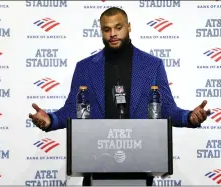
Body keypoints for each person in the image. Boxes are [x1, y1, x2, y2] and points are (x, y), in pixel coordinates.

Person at [29, 7, 210, 186]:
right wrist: (51, 120)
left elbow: (166, 109)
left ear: (129, 27)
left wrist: (189, 118)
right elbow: (72, 109)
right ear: (101, 31)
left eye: (118, 27)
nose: (112, 34)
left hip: (140, 165)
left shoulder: (152, 65)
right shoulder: (85, 67)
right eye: (106, 29)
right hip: (97, 165)